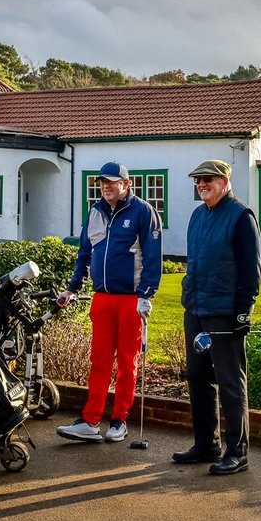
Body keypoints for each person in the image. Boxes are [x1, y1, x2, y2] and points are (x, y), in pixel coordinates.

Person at [56, 162, 162, 443]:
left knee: (128, 362)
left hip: (131, 300)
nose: (105, 187)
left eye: (112, 183)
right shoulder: (94, 211)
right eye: (102, 182)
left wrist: (147, 294)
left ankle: (119, 420)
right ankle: (90, 421)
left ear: (126, 184)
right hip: (102, 298)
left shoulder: (143, 212)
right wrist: (72, 288)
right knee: (99, 360)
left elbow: (153, 258)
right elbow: (84, 253)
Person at [173, 159, 261, 476]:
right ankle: (205, 444)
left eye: (208, 179)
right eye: (198, 180)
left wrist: (244, 310)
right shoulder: (198, 215)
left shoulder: (241, 216)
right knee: (197, 378)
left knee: (230, 383)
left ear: (225, 180)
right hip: (196, 309)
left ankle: (238, 451)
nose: (201, 184)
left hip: (224, 313)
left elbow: (252, 270)